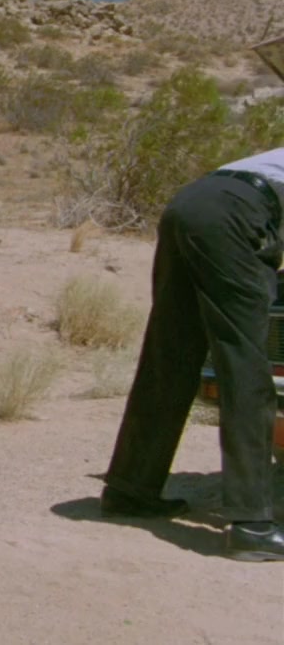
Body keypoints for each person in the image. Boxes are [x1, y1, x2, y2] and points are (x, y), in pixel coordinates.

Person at [101, 146, 284, 562]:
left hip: (189, 204)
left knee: (170, 354)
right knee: (245, 364)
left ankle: (130, 490)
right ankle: (253, 526)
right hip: (236, 213)